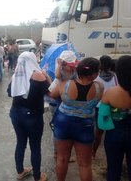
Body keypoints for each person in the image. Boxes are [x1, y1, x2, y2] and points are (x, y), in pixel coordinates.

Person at [49, 57, 103, 181]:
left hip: (64, 124)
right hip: (85, 126)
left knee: (62, 159)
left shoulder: (65, 85)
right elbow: (96, 103)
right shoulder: (99, 87)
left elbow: (52, 94)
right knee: (85, 164)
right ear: (94, 74)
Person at [9, 52, 51, 181]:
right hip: (32, 116)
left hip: (15, 113)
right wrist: (47, 76)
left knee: (20, 142)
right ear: (33, 60)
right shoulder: (39, 75)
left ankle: (20, 171)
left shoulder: (16, 75)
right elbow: (51, 93)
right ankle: (38, 176)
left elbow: (9, 93)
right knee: (35, 146)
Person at [48, 50, 78, 161]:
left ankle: (62, 153)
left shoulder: (73, 70)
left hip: (66, 99)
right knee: (56, 129)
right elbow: (57, 76)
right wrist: (60, 64)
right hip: (57, 100)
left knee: (65, 129)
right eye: (70, 65)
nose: (72, 67)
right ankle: (57, 152)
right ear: (64, 64)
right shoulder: (59, 71)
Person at [92, 55, 117, 158]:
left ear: (100, 65)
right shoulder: (114, 76)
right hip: (112, 106)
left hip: (100, 107)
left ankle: (93, 153)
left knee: (99, 132)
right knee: (111, 130)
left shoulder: (96, 78)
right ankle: (111, 154)